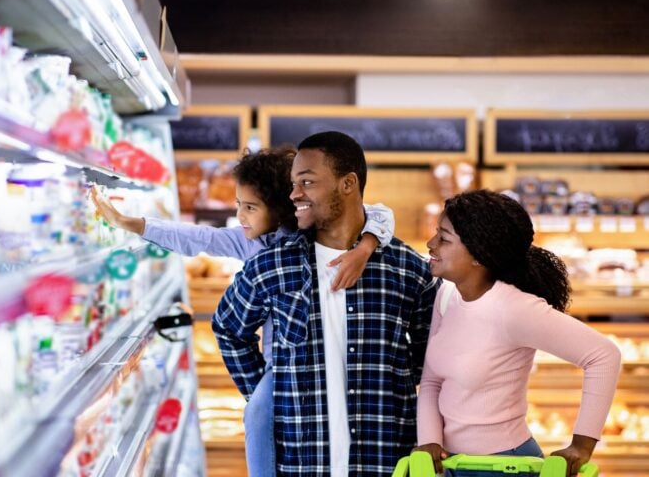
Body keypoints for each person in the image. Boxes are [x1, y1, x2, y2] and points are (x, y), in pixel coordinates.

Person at [89, 146, 396, 477]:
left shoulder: (318, 233)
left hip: (338, 355)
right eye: (239, 206)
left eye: (250, 207)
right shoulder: (251, 243)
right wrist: (131, 223)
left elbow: (380, 214)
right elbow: (198, 238)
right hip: (282, 366)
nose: (241, 216)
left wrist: (366, 247)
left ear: (281, 209)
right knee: (259, 412)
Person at [212, 131, 439, 476]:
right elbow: (229, 328)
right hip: (301, 463)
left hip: (385, 459)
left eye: (307, 182)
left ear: (348, 184)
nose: (294, 194)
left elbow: (431, 354)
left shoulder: (408, 270)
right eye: (293, 183)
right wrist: (268, 394)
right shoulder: (273, 265)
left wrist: (392, 387)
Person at [414, 189, 622, 477]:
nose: (430, 244)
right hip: (452, 466)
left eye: (444, 239)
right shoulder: (448, 297)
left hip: (503, 466)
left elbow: (604, 355)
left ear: (478, 255)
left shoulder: (514, 309)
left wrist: (582, 445)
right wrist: (429, 443)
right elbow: (432, 382)